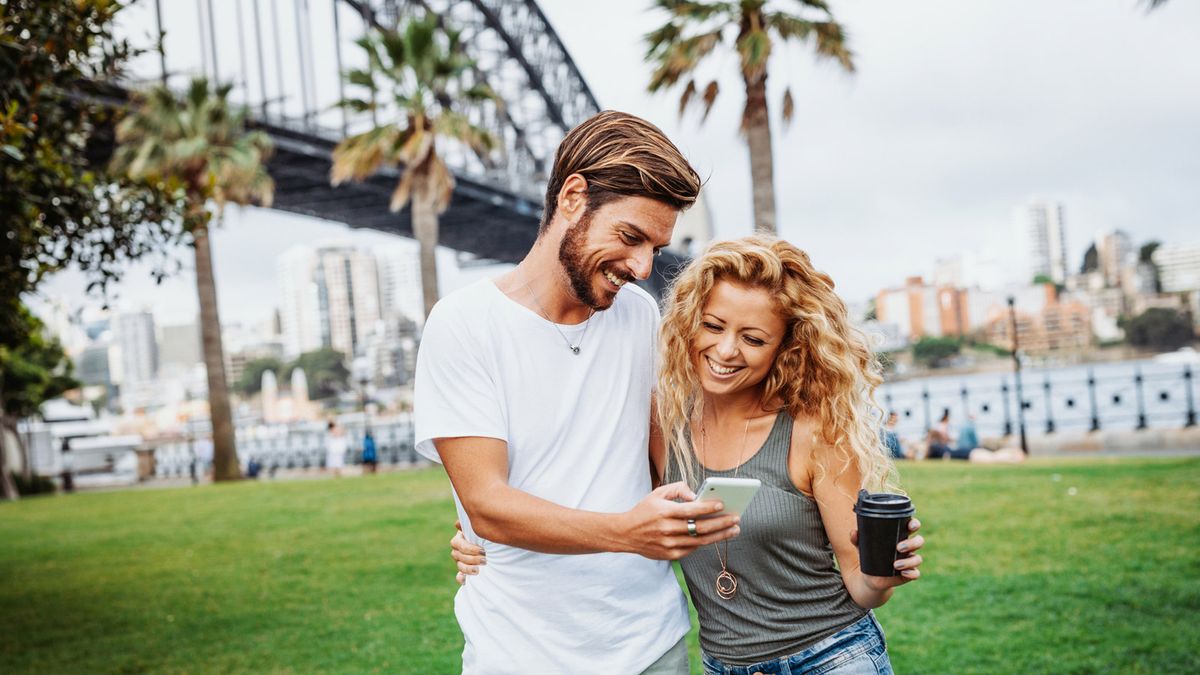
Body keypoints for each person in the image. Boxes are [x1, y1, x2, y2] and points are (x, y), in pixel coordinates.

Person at [456, 237, 926, 673]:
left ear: (786, 347)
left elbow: (862, 586)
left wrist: (884, 573)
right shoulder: (663, 424)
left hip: (831, 657)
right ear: (689, 322)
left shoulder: (814, 430)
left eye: (754, 338)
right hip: (723, 665)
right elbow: (586, 482)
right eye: (714, 326)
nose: (726, 350)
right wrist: (478, 536)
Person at [415, 110, 739, 674]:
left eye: (656, 249)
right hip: (519, 653)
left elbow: (672, 466)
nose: (642, 267)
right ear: (572, 197)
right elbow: (486, 504)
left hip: (649, 645)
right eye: (630, 237)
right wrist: (626, 533)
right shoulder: (463, 323)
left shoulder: (640, 317)